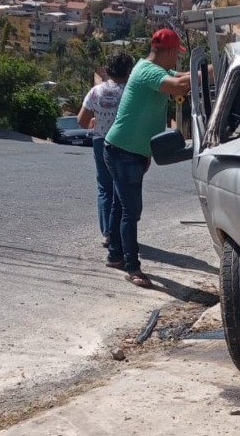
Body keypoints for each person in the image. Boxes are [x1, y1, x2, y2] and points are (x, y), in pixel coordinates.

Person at [103, 29, 191, 288]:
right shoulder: (148, 72)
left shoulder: (149, 69)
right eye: (177, 55)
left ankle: (115, 256)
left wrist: (209, 69)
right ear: (169, 51)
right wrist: (202, 73)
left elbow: (182, 76)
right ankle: (133, 267)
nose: (177, 61)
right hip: (124, 151)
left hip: (126, 149)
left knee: (120, 206)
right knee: (131, 211)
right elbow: (178, 85)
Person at [78, 52, 134, 249]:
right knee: (122, 188)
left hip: (100, 141)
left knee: (104, 187)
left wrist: (96, 121)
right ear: (128, 71)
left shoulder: (96, 92)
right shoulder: (129, 92)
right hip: (123, 143)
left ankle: (107, 233)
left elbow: (82, 120)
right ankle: (121, 231)